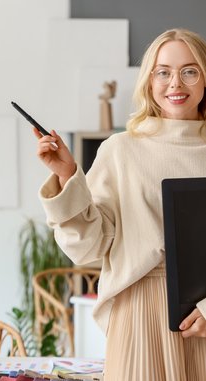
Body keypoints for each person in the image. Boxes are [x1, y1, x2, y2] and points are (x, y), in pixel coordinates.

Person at [33, 28, 206, 380]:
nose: (176, 83)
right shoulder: (120, 149)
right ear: (149, 80)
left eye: (190, 71)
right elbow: (91, 246)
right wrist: (68, 177)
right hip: (139, 309)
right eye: (163, 72)